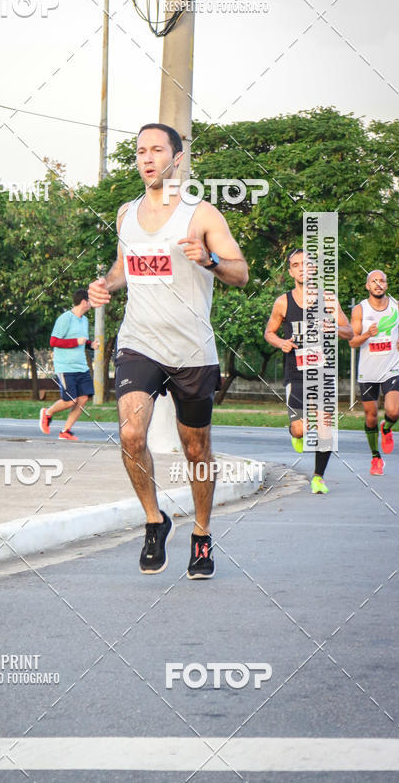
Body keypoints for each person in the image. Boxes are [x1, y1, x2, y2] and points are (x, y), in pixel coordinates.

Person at [88, 122, 248, 579]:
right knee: (131, 435)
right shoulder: (126, 214)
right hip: (139, 342)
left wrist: (210, 259)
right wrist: (105, 286)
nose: (147, 158)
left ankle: (200, 535)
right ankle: (155, 521)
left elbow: (241, 273)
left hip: (192, 350)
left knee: (195, 449)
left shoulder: (201, 215)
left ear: (177, 158)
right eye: (140, 151)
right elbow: (123, 271)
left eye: (157, 149)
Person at [264, 248, 353, 494]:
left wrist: (334, 328)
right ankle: (296, 433)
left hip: (323, 373)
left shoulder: (329, 299)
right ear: (291, 271)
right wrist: (281, 342)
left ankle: (318, 478)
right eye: (296, 264)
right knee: (300, 429)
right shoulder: (283, 302)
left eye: (307, 263)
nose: (302, 268)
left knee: (324, 427)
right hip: (296, 373)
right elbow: (269, 332)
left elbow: (350, 332)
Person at [349, 269, 399, 475]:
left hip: (391, 367)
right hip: (367, 371)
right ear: (367, 286)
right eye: (373, 281)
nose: (378, 284)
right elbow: (352, 341)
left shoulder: (397, 306)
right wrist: (367, 334)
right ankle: (376, 457)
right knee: (371, 416)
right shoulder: (360, 310)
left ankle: (387, 428)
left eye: (382, 280)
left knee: (394, 412)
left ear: (386, 285)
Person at [39, 289, 99, 442]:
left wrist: (90, 344)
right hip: (66, 368)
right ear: (84, 302)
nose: (92, 304)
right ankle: (47, 413)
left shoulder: (84, 320)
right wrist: (75, 342)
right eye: (90, 301)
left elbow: (81, 340)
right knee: (70, 400)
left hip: (82, 367)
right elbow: (53, 341)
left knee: (84, 398)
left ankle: (65, 431)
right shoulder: (65, 319)